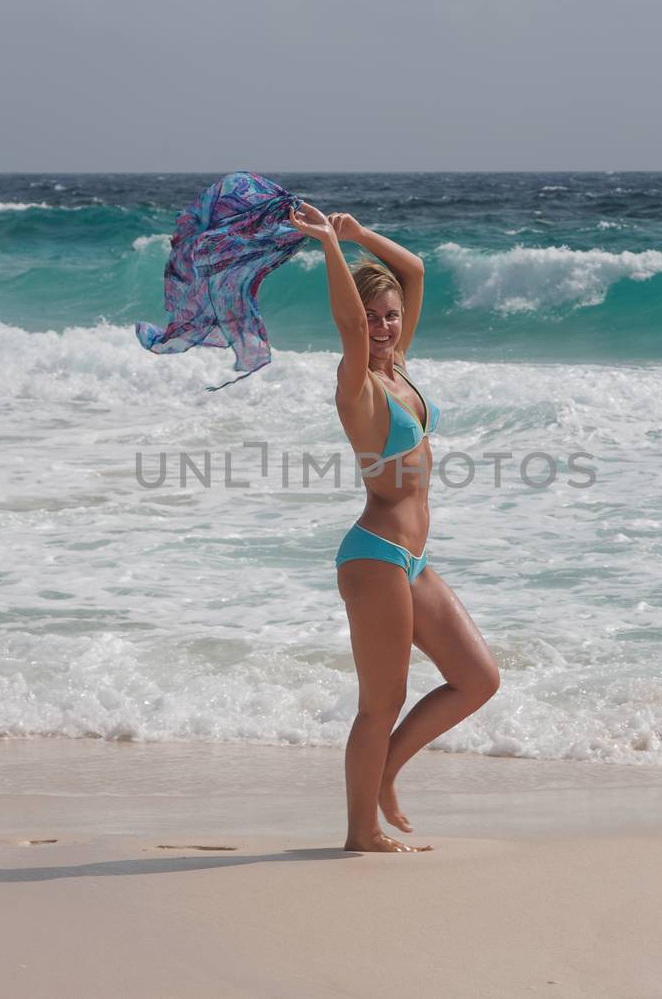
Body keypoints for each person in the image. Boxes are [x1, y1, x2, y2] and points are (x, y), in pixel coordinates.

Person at [289, 201, 501, 853]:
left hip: (411, 559)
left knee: (478, 677)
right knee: (380, 703)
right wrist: (329, 247)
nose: (381, 326)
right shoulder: (357, 384)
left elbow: (413, 270)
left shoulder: (400, 366)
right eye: (373, 318)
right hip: (376, 555)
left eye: (390, 317)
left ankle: (387, 775)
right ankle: (361, 833)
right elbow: (350, 324)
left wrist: (358, 236)